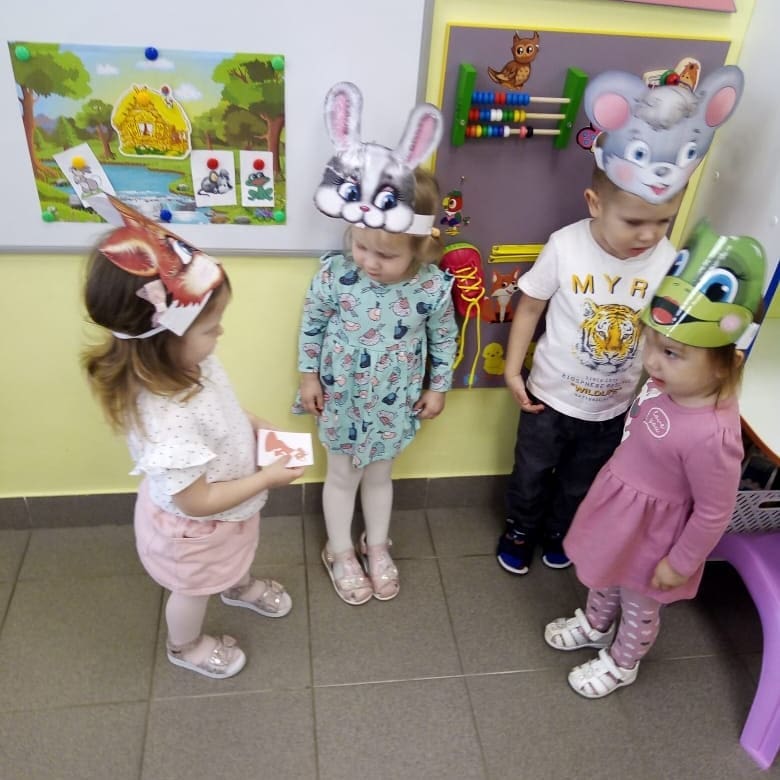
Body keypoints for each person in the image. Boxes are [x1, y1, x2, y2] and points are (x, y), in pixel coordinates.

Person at [496, 64, 744, 575]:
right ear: (594, 203)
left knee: (583, 480)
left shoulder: (666, 260)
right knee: (531, 472)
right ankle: (520, 529)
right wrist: (513, 369)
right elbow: (531, 305)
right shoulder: (566, 245)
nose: (648, 235)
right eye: (634, 222)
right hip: (548, 397)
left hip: (613, 407)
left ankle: (561, 531)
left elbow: (670, 333)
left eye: (662, 222)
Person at [82, 196, 304, 680]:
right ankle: (185, 645)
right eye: (209, 327)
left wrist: (254, 424)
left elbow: (220, 407)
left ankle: (235, 583)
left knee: (233, 554)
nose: (220, 333)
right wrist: (267, 478)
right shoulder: (167, 420)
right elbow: (197, 501)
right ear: (164, 338)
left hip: (226, 510)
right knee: (192, 589)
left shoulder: (189, 362)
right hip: (197, 529)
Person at [543, 220, 765, 699]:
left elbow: (714, 510)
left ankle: (623, 662)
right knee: (605, 574)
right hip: (622, 509)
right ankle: (597, 624)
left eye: (672, 353)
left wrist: (681, 563)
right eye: (652, 344)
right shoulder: (666, 386)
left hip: (655, 534)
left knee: (639, 602)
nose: (653, 361)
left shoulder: (713, 435)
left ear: (726, 365)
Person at [295, 81, 456, 604]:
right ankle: (340, 549)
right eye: (361, 246)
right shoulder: (335, 274)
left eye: (385, 255)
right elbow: (313, 323)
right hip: (341, 396)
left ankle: (377, 544)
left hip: (394, 399)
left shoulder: (431, 287)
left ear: (420, 247)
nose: (368, 261)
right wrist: (307, 375)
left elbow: (444, 338)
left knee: (381, 474)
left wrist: (438, 387)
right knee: (342, 474)